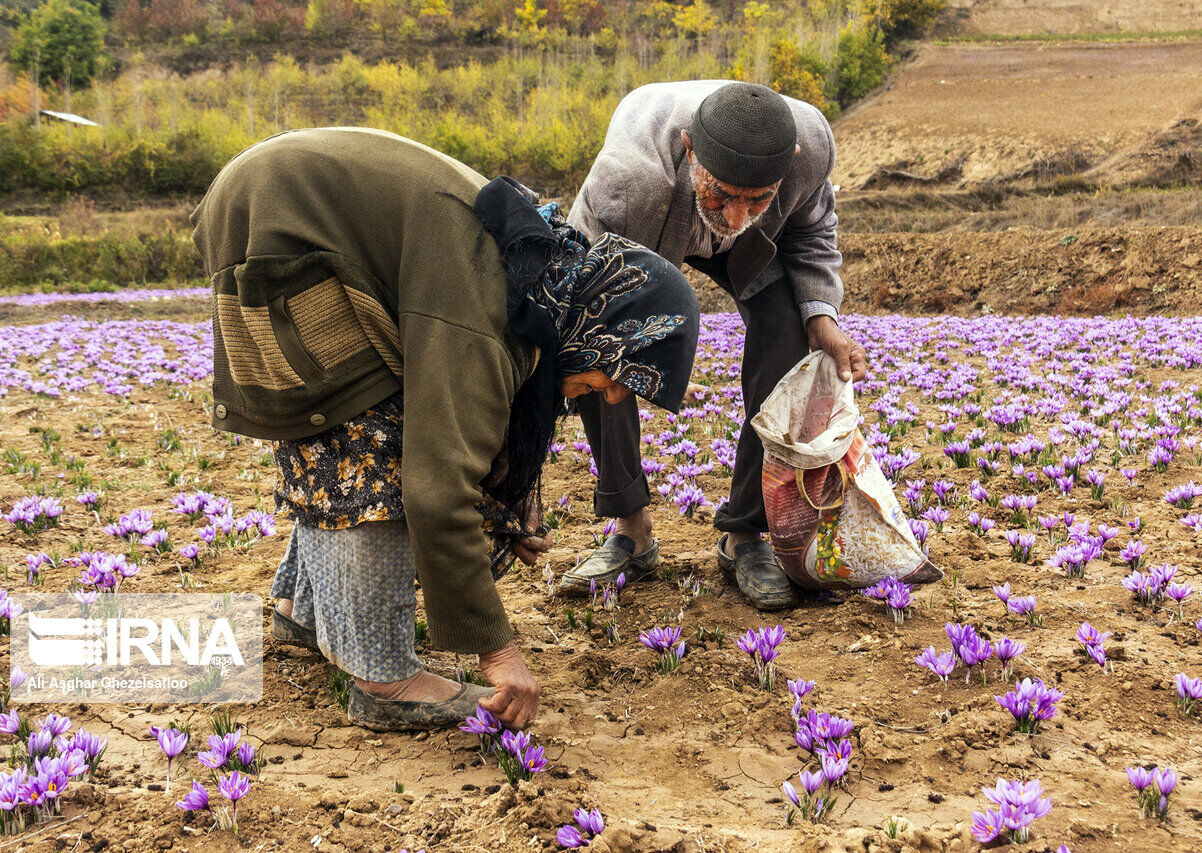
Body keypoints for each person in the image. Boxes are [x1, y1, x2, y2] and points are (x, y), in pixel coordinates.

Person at [191, 127, 700, 731]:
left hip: (285, 198)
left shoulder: (538, 279)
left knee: (386, 419)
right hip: (278, 221)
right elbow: (438, 487)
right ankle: (384, 678)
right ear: (606, 326)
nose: (612, 396)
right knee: (370, 433)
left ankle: (302, 608)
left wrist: (514, 498)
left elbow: (483, 420)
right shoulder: (485, 309)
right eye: (618, 376)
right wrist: (498, 651)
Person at [558, 81, 868, 610]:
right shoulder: (630, 180)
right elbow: (579, 279)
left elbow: (812, 233)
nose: (735, 217)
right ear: (689, 148)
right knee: (595, 345)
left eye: (758, 199)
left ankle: (744, 534)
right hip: (654, 225)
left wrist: (821, 314)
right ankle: (631, 526)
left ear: (788, 162)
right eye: (722, 194)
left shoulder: (809, 146)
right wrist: (632, 357)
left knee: (789, 335)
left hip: (752, 252)